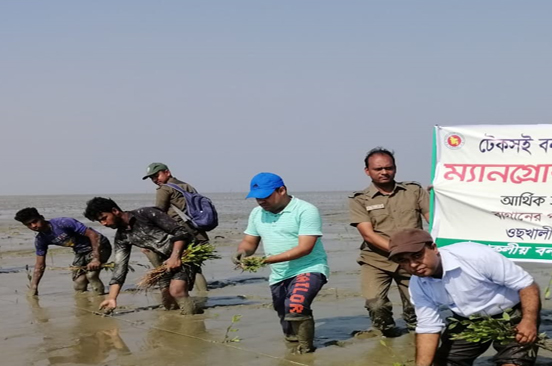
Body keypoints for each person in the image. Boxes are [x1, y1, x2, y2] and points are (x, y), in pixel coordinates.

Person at [389, 229, 543, 366]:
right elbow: (428, 327)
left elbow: (527, 285)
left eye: (417, 256)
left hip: (512, 312)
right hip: (469, 319)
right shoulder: (418, 285)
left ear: (433, 248)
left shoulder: (475, 256)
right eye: (403, 261)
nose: (413, 265)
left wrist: (529, 321)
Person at [233, 173, 329, 354]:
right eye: (257, 198)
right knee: (286, 320)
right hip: (279, 274)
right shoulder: (257, 214)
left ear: (282, 190)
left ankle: (307, 351)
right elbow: (250, 242)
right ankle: (293, 347)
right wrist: (242, 252)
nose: (261, 201)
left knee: (296, 305)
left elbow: (305, 248)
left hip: (309, 267)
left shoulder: (306, 210)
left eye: (265, 196)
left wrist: (264, 260)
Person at [348, 148, 430, 336]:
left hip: (413, 259)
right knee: (375, 304)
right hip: (376, 260)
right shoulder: (359, 200)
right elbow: (368, 235)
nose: (384, 172)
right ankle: (387, 333)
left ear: (395, 168)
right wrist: (399, 251)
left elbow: (434, 218)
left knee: (417, 307)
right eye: (378, 169)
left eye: (388, 168)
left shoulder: (414, 191)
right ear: (367, 171)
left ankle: (413, 334)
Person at [83, 197, 194, 314]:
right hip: (164, 263)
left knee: (177, 290)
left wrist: (175, 257)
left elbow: (181, 232)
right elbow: (120, 268)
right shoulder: (122, 237)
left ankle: (193, 321)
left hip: (184, 253)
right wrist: (111, 298)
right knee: (168, 302)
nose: (104, 223)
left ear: (115, 211)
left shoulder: (146, 214)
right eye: (100, 221)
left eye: (104, 218)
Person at [143, 162, 210, 293]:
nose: (155, 180)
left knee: (151, 251)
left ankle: (175, 290)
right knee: (195, 267)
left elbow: (159, 214)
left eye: (157, 176)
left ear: (167, 172)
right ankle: (204, 295)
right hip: (198, 232)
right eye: (152, 178)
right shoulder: (187, 186)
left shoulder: (164, 189)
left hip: (182, 235)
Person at [15, 207, 112, 295]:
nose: (34, 226)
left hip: (100, 245)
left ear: (41, 217)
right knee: (79, 284)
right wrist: (34, 286)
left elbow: (94, 235)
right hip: (80, 251)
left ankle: (100, 299)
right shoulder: (41, 239)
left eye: (35, 221)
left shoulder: (63, 223)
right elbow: (40, 265)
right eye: (29, 225)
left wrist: (96, 259)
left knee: (91, 275)